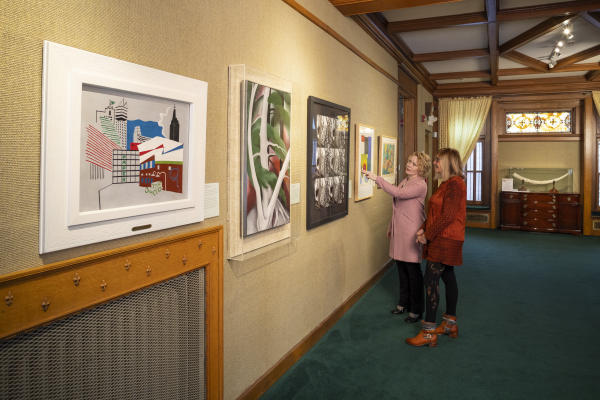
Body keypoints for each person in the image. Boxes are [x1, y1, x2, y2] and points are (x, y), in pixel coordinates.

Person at [406, 147, 466, 347]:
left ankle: (429, 331)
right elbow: (435, 214)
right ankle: (450, 324)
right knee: (448, 276)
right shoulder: (446, 184)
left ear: (448, 163)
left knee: (430, 281)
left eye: (438, 160)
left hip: (445, 240)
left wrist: (427, 236)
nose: (435, 163)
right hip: (443, 238)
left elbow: (448, 217)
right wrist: (423, 229)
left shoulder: (455, 185)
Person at [364, 151, 431, 323]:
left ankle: (416, 310)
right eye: (409, 161)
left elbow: (398, 194)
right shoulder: (406, 180)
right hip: (400, 231)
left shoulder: (420, 184)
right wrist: (390, 226)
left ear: (421, 168)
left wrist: (377, 178)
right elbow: (398, 207)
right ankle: (403, 303)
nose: (409, 165)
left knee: (413, 273)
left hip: (411, 233)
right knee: (401, 270)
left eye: (414, 164)